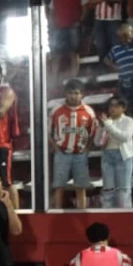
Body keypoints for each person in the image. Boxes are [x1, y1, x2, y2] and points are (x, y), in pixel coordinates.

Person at [50, 79, 97, 209]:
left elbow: (93, 133)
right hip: (62, 153)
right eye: (70, 93)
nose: (73, 96)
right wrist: (56, 148)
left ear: (82, 94)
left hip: (80, 154)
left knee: (81, 186)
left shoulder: (89, 112)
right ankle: (58, 212)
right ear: (65, 94)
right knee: (59, 186)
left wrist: (86, 149)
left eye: (76, 93)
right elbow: (48, 132)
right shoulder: (56, 110)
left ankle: (81, 212)